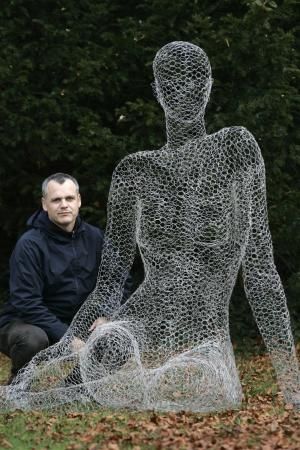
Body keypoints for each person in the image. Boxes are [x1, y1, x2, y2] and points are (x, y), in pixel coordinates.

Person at [1, 42, 299, 413]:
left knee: (193, 383)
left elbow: (259, 266)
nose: (184, 92)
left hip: (204, 330)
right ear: (157, 90)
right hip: (140, 316)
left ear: (208, 86)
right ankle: (45, 392)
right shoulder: (134, 172)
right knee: (100, 356)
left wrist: (292, 387)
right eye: (171, 83)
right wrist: (69, 340)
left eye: (195, 81)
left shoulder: (234, 148)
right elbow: (110, 282)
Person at [0, 173, 131, 384]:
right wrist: (68, 337)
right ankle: (20, 381)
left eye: (69, 199)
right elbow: (26, 302)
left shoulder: (95, 237)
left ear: (79, 200)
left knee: (120, 338)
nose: (64, 205)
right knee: (33, 340)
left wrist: (106, 314)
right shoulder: (30, 244)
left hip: (79, 322)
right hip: (31, 324)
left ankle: (74, 387)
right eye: (56, 200)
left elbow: (119, 281)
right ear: (45, 204)